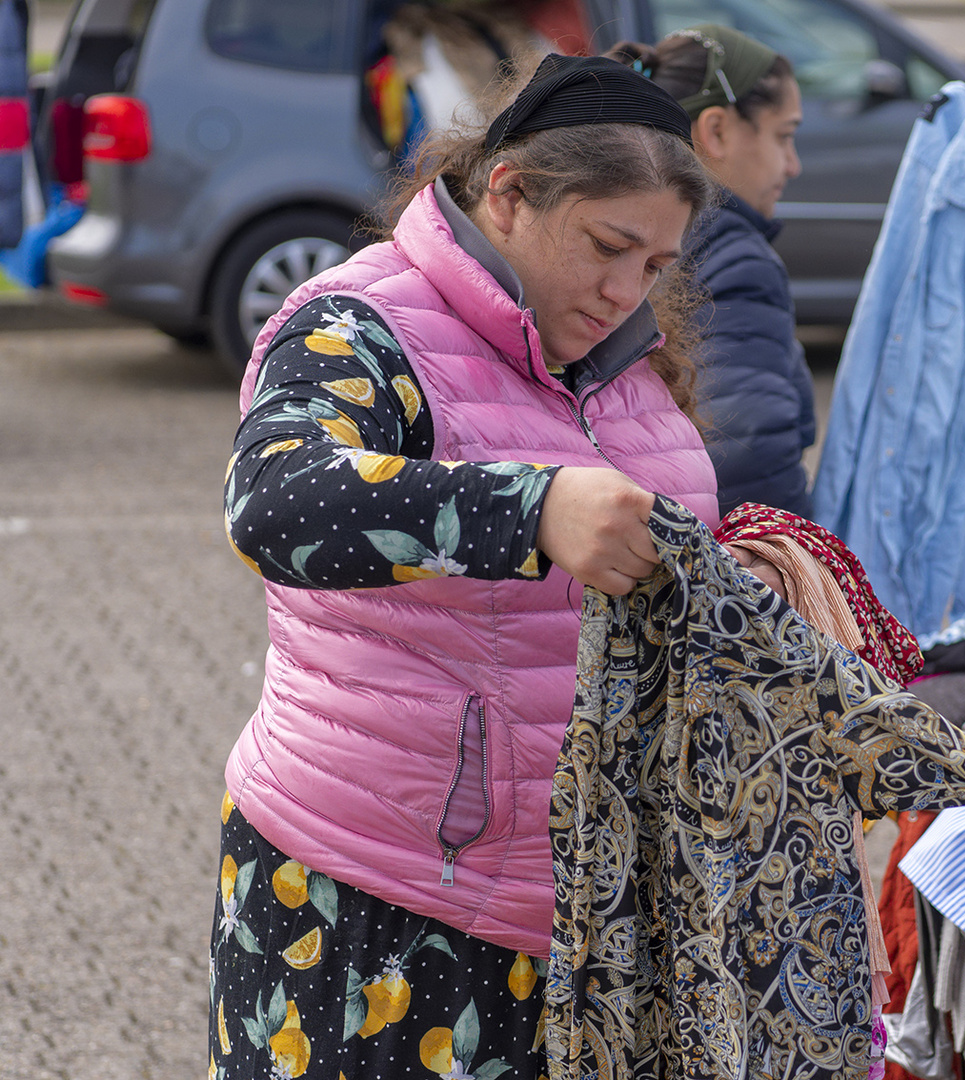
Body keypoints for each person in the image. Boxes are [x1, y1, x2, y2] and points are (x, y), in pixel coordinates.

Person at [209, 53, 720, 1078]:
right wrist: (532, 507)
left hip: (575, 914)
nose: (627, 290)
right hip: (368, 903)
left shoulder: (625, 365)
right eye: (609, 246)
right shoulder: (358, 326)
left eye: (657, 266)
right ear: (510, 193)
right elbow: (276, 501)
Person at [608, 26, 816, 518]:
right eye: (784, 136)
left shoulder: (619, 232)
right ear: (717, 130)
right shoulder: (735, 257)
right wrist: (792, 571)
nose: (793, 165)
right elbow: (748, 452)